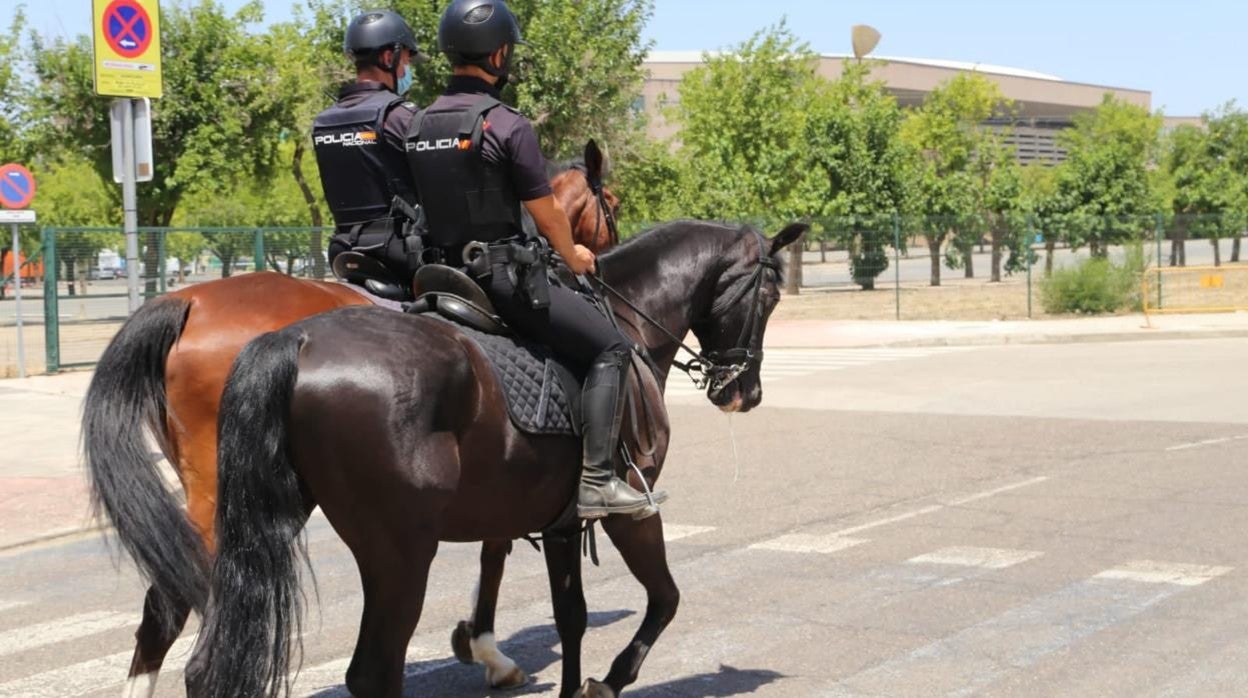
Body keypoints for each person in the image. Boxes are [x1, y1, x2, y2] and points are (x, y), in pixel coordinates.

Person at [407, 0, 664, 520]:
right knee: (612, 348)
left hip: (436, 278)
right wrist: (573, 254)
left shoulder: (416, 124)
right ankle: (596, 482)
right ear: (499, 53)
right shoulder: (505, 124)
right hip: (499, 280)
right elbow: (546, 213)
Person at [313, 9, 422, 278]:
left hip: (343, 249)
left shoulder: (323, 121)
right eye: (406, 61)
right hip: (399, 253)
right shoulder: (399, 116)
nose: (407, 70)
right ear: (389, 57)